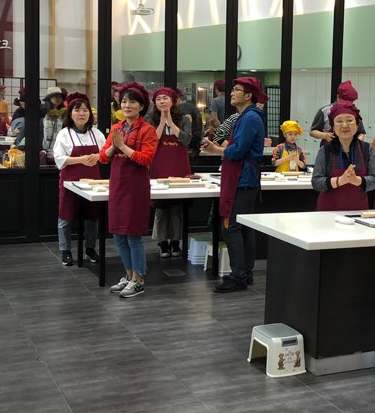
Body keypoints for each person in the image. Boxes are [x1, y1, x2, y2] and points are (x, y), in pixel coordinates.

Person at [201, 76, 266, 293]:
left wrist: (216, 150)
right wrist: (220, 149)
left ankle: (238, 276)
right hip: (244, 177)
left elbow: (238, 151)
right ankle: (245, 273)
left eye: (236, 89)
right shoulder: (246, 116)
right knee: (243, 227)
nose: (231, 93)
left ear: (248, 95)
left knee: (232, 227)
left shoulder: (250, 118)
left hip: (242, 178)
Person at [100, 83, 158, 298]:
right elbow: (103, 157)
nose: (127, 105)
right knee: (118, 234)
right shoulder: (117, 128)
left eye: (132, 101)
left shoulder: (147, 130)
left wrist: (123, 147)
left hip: (136, 187)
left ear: (142, 106)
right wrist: (114, 146)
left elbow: (146, 159)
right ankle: (128, 275)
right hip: (117, 185)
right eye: (124, 101)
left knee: (133, 235)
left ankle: (138, 279)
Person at [53, 93, 105, 266]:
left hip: (93, 182)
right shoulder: (64, 134)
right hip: (70, 181)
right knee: (65, 216)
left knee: (92, 216)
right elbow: (59, 158)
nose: (82, 113)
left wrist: (98, 156)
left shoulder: (96, 133)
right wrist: (81, 159)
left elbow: (106, 153)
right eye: (77, 110)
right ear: (70, 113)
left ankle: (90, 248)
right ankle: (65, 250)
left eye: (85, 110)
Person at [147, 87, 193, 258]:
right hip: (159, 165)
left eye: (165, 98)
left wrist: (171, 123)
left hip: (179, 165)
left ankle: (176, 242)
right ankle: (162, 243)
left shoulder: (184, 119)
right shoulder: (149, 119)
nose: (162, 101)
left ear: (173, 101)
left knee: (176, 206)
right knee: (160, 206)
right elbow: (151, 141)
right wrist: (161, 122)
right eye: (158, 99)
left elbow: (186, 140)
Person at [311, 101, 375, 211]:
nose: (344, 125)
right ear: (333, 127)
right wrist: (340, 180)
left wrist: (357, 180)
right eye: (339, 121)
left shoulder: (367, 149)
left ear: (357, 125)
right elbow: (316, 182)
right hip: (328, 212)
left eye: (349, 120)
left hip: (358, 212)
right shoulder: (325, 150)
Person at [310, 80, 364, 145]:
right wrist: (325, 135)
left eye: (350, 102)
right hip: (328, 148)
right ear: (338, 97)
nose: (346, 104)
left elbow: (361, 132)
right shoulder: (325, 111)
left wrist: (356, 145)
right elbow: (312, 132)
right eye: (343, 101)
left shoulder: (354, 112)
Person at [41, 86, 66, 162]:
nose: (58, 98)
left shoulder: (63, 112)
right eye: (55, 96)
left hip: (58, 147)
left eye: (60, 96)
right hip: (43, 146)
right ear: (49, 98)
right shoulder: (42, 111)